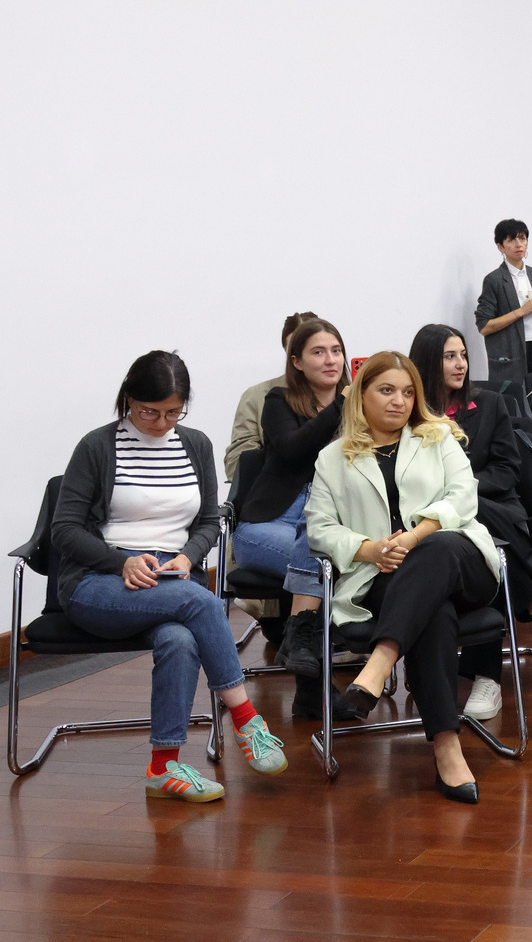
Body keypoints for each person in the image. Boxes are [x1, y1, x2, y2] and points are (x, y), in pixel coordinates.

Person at [52, 351, 288, 802]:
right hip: (99, 582)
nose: (161, 423)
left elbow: (209, 520)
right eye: (149, 412)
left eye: (173, 413)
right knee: (200, 601)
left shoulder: (195, 444)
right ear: (128, 398)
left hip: (171, 577)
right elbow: (64, 530)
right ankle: (246, 720)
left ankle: (163, 768)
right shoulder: (97, 446)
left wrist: (189, 555)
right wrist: (119, 561)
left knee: (180, 639)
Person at [305, 352, 504, 804]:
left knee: (437, 549)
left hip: (461, 562)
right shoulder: (333, 458)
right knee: (434, 613)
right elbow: (319, 526)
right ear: (361, 395)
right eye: (387, 390)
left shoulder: (438, 437)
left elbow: (463, 499)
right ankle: (447, 747)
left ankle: (380, 662)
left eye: (408, 392)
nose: (399, 401)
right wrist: (370, 549)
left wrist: (413, 538)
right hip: (384, 575)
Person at [407, 324, 532, 722]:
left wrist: (461, 491)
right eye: (450, 356)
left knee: (474, 518)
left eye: (463, 355)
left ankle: (487, 677)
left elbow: (506, 470)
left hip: (501, 516)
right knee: (474, 541)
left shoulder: (491, 404)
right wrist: (454, 496)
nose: (461, 364)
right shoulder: (409, 412)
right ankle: (531, 606)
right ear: (427, 362)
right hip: (437, 527)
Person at [233, 318, 361, 721]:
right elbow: (292, 449)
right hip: (265, 525)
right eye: (318, 352)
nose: (331, 360)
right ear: (297, 362)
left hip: (322, 522)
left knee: (319, 547)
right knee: (321, 558)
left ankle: (305, 672)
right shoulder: (279, 401)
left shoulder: (360, 407)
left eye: (336, 351)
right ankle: (311, 680)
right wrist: (341, 405)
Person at [226, 310, 319, 480]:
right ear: (286, 351)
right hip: (279, 488)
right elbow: (237, 461)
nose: (301, 353)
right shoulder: (256, 396)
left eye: (312, 348)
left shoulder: (346, 395)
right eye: (295, 347)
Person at [474, 217, 532, 389]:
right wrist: (521, 311)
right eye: (511, 240)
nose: (518, 244)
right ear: (500, 247)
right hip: (510, 354)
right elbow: (484, 326)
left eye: (522, 238)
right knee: (515, 399)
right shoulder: (494, 280)